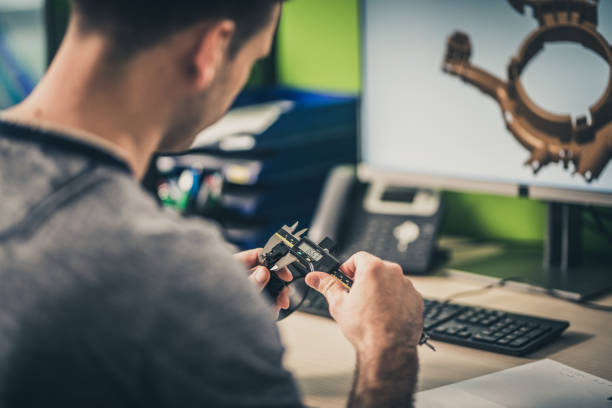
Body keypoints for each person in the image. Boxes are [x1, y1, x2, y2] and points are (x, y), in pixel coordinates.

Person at [0, 1, 424, 407]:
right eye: (252, 60)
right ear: (212, 49)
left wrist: (187, 330)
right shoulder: (170, 269)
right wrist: (387, 350)